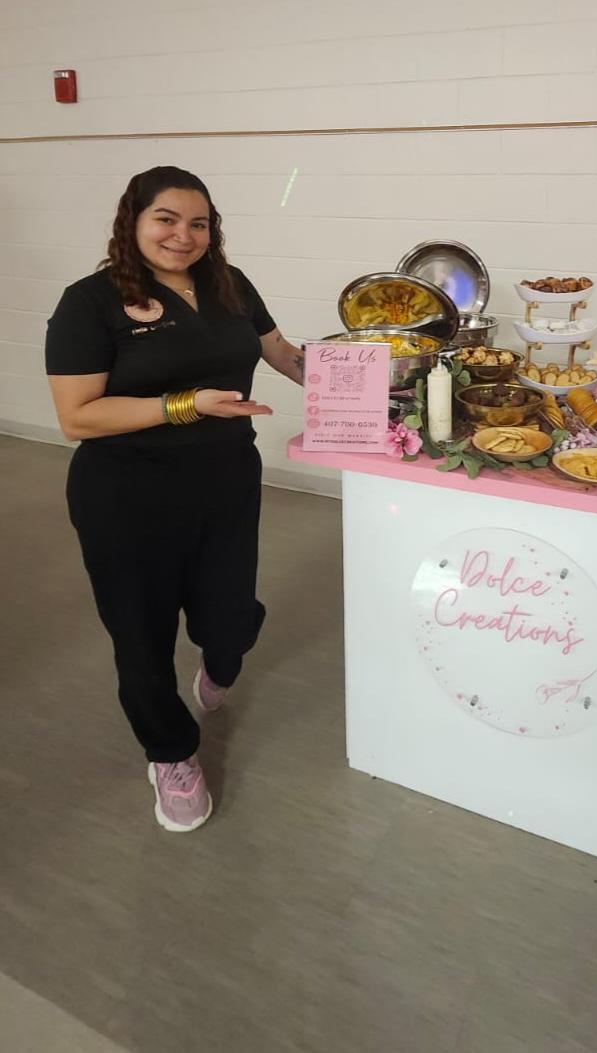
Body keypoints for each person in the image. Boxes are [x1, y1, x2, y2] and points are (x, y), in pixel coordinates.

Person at [46, 166, 305, 833]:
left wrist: (364, 379)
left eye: (198, 223)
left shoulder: (229, 283)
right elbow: (77, 417)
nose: (182, 235)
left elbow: (281, 351)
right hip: (126, 494)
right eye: (165, 219)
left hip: (226, 480)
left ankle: (219, 658)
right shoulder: (89, 302)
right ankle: (170, 752)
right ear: (132, 221)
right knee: (142, 635)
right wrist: (186, 404)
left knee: (231, 621)